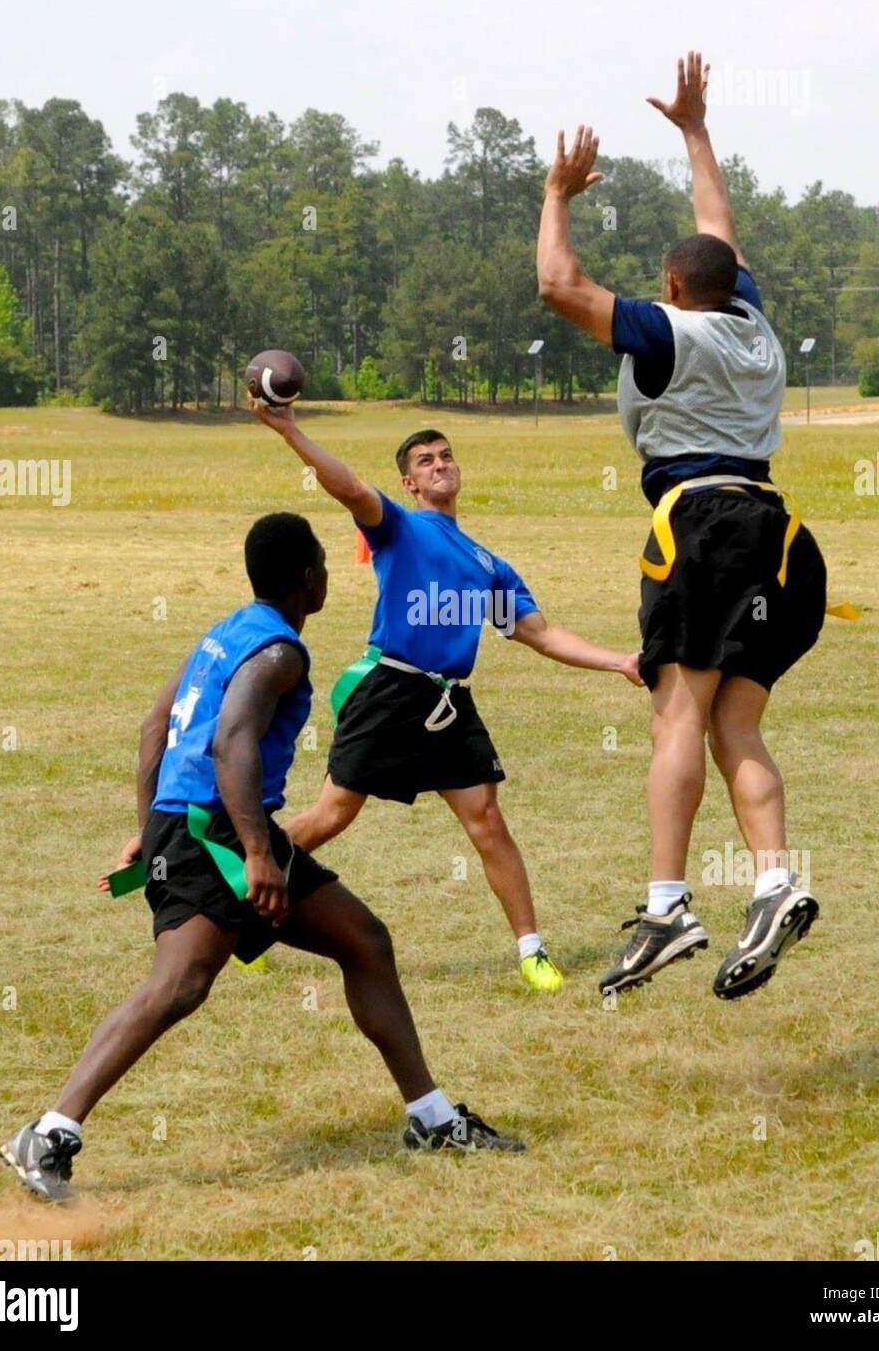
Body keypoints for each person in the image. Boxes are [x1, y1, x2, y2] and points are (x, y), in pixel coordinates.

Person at [0, 512, 523, 1202]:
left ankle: (431, 1118)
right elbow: (231, 744)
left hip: (194, 823)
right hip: (218, 831)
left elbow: (154, 728)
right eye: (325, 567)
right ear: (309, 581)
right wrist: (255, 853)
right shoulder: (280, 653)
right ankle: (49, 1132)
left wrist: (153, 826)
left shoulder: (224, 632)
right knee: (180, 983)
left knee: (365, 942)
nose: (331, 575)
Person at [537, 51, 835, 1001]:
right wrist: (696, 131)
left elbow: (558, 285)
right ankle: (775, 879)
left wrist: (557, 193)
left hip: (700, 527)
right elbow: (720, 229)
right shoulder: (751, 322)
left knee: (677, 713)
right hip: (777, 536)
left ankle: (667, 907)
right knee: (734, 723)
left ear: (669, 283)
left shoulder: (669, 330)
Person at [249, 400, 644, 992]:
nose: (440, 465)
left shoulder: (489, 563)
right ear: (410, 482)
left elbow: (538, 633)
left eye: (447, 456)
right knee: (332, 815)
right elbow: (351, 487)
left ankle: (532, 952)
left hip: (450, 703)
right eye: (425, 461)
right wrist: (289, 430)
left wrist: (620, 661)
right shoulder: (399, 529)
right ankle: (240, 895)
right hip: (389, 691)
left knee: (488, 821)